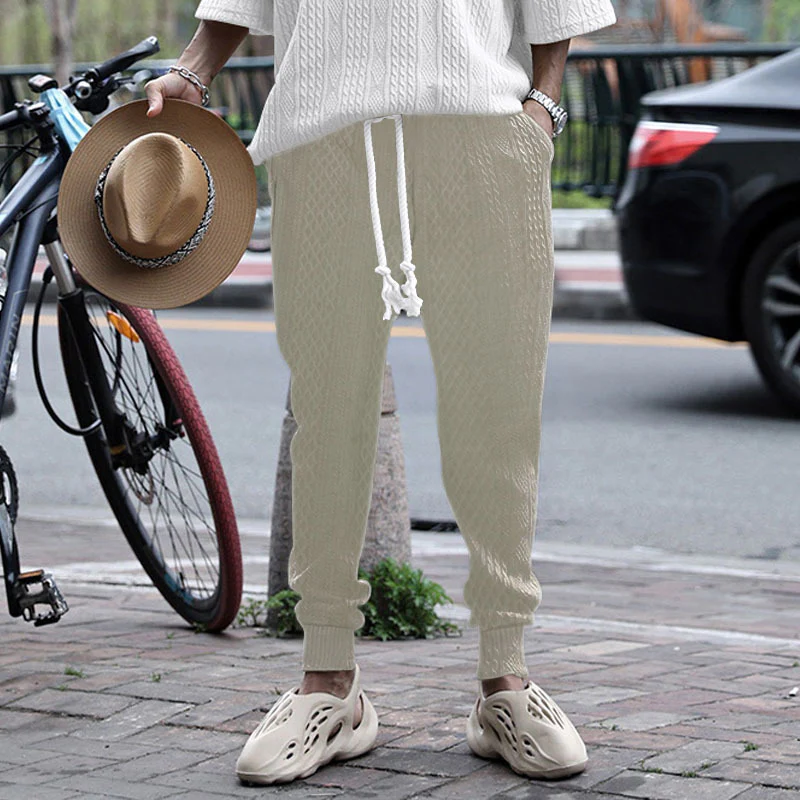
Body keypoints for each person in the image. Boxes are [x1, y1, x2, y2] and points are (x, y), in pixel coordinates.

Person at [146, 0, 616, 786]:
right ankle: (328, 683)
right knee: (327, 410)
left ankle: (506, 678)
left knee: (500, 408)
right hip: (324, 133)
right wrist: (194, 69)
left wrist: (541, 107)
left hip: (484, 131)